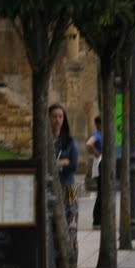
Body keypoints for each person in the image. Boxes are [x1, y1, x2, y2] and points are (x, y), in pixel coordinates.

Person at [50, 104, 79, 254]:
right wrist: (62, 162)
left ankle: (71, 260)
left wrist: (58, 164)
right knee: (52, 228)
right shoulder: (46, 141)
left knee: (70, 227)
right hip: (50, 189)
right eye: (54, 116)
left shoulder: (69, 141)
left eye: (60, 117)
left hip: (67, 189)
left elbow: (73, 165)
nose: (57, 120)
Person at [88, 116, 105, 229]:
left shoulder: (101, 134)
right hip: (101, 163)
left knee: (102, 192)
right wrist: (96, 152)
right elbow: (89, 143)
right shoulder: (97, 134)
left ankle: (98, 219)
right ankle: (97, 220)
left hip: (101, 163)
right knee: (101, 192)